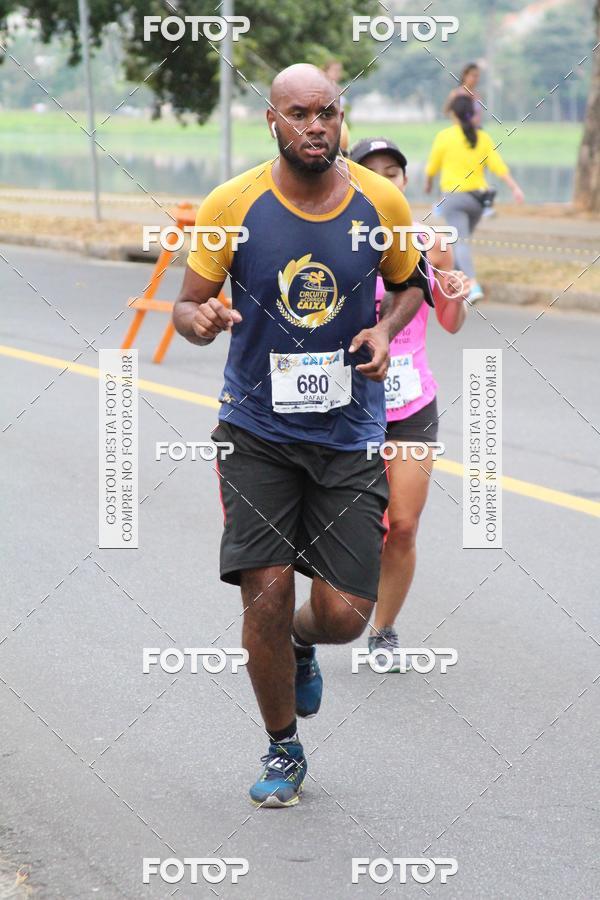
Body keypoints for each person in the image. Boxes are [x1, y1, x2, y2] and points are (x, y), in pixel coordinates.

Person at [173, 64, 432, 807]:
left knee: (348, 614)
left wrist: (385, 330)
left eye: (328, 112)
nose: (316, 126)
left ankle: (303, 641)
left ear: (340, 116)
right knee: (265, 589)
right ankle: (284, 745)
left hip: (349, 434)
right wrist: (203, 319)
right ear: (272, 121)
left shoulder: (379, 199)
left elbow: (411, 279)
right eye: (299, 114)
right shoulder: (235, 202)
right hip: (256, 430)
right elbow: (186, 307)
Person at [350, 137, 468, 666]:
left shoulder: (432, 242)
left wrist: (457, 295)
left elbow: (448, 321)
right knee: (346, 526)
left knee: (402, 525)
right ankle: (318, 617)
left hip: (410, 402)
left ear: (404, 181)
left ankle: (383, 631)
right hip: (347, 403)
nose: (384, 179)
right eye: (370, 171)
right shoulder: (338, 241)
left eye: (393, 171)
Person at [425, 95, 524, 303]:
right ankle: (458, 283)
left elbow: (432, 166)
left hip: (454, 198)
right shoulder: (482, 137)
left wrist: (427, 184)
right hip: (478, 201)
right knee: (462, 240)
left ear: (453, 114)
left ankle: (472, 285)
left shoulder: (445, 136)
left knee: (460, 241)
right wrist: (514, 187)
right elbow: (498, 166)